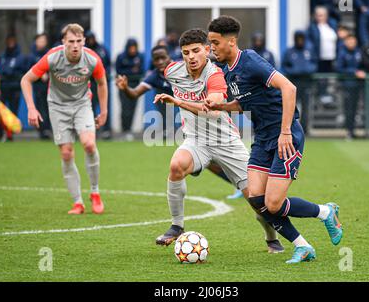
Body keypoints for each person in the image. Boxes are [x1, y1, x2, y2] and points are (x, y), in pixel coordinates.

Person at [206, 15, 343, 264]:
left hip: (286, 136)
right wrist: (223, 106)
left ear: (231, 41)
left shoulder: (250, 61)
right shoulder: (228, 71)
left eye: (215, 42)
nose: (211, 47)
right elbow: (246, 102)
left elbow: (289, 88)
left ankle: (325, 212)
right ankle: (302, 246)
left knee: (273, 203)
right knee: (256, 199)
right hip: (263, 139)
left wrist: (286, 131)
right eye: (210, 42)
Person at [153, 28, 284, 254]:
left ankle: (271, 238)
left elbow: (212, 111)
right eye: (186, 53)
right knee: (176, 165)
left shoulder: (215, 75)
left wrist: (177, 102)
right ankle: (176, 226)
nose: (191, 57)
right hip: (196, 140)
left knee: (256, 198)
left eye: (196, 51)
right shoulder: (172, 71)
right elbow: (156, 77)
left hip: (226, 142)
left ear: (207, 50)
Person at [116, 45, 246, 200]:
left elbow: (208, 63)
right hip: (192, 122)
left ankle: (248, 182)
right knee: (208, 161)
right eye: (156, 59)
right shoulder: (155, 76)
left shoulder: (186, 67)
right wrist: (125, 88)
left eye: (163, 57)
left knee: (227, 152)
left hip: (212, 114)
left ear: (169, 57)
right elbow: (135, 93)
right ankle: (236, 184)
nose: (160, 62)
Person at [20, 23, 108, 215]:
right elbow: (26, 80)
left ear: (84, 41)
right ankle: (78, 202)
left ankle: (95, 192)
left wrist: (104, 111)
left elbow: (102, 83)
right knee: (67, 153)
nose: (75, 46)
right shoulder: (52, 57)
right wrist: (31, 108)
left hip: (82, 105)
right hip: (57, 107)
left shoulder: (92, 59)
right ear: (63, 42)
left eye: (79, 41)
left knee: (89, 145)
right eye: (71, 42)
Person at [281, 31, 318, 134]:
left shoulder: (309, 50)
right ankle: (291, 128)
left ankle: (305, 129)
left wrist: (307, 70)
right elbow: (284, 66)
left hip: (306, 82)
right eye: (298, 38)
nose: (300, 41)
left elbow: (315, 64)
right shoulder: (289, 52)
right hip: (293, 83)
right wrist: (294, 71)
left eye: (302, 38)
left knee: (306, 106)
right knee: (291, 106)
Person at [336, 34, 366, 139]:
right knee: (348, 109)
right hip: (347, 85)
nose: (351, 43)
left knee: (355, 109)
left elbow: (363, 65)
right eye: (349, 41)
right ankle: (349, 131)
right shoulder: (342, 53)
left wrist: (362, 72)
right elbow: (339, 68)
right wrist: (354, 72)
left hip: (357, 85)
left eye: (353, 41)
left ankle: (353, 130)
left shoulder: (359, 52)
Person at [0, 35, 26, 141]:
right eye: (8, 41)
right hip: (4, 87)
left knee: (13, 112)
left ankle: (10, 134)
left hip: (15, 88)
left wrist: (12, 74)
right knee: (1, 111)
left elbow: (22, 72)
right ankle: (1, 133)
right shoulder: (3, 56)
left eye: (12, 41)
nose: (10, 43)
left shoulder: (20, 57)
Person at [307, 6, 338, 105]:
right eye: (318, 15)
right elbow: (310, 42)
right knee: (321, 78)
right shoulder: (313, 27)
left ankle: (329, 94)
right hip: (319, 58)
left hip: (331, 57)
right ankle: (321, 95)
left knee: (329, 78)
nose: (320, 17)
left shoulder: (331, 25)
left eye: (322, 15)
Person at [115, 38, 144, 140]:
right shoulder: (121, 56)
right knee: (125, 108)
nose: (132, 50)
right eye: (131, 47)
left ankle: (129, 130)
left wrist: (130, 71)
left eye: (134, 47)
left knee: (132, 108)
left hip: (135, 85)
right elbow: (118, 70)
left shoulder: (140, 56)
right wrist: (131, 70)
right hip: (123, 86)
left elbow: (141, 70)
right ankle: (124, 129)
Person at [85, 31, 112, 139]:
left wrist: (106, 73)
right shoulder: (85, 50)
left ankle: (106, 130)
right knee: (88, 107)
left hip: (101, 82)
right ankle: (88, 129)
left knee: (104, 106)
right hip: (88, 83)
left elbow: (109, 64)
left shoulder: (102, 49)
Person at [26, 33, 51, 140]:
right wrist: (40, 74)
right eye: (40, 40)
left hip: (49, 87)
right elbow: (28, 72)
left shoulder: (49, 54)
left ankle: (48, 129)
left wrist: (48, 74)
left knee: (49, 108)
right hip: (38, 87)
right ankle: (42, 130)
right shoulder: (32, 56)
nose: (42, 42)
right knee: (40, 108)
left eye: (44, 40)